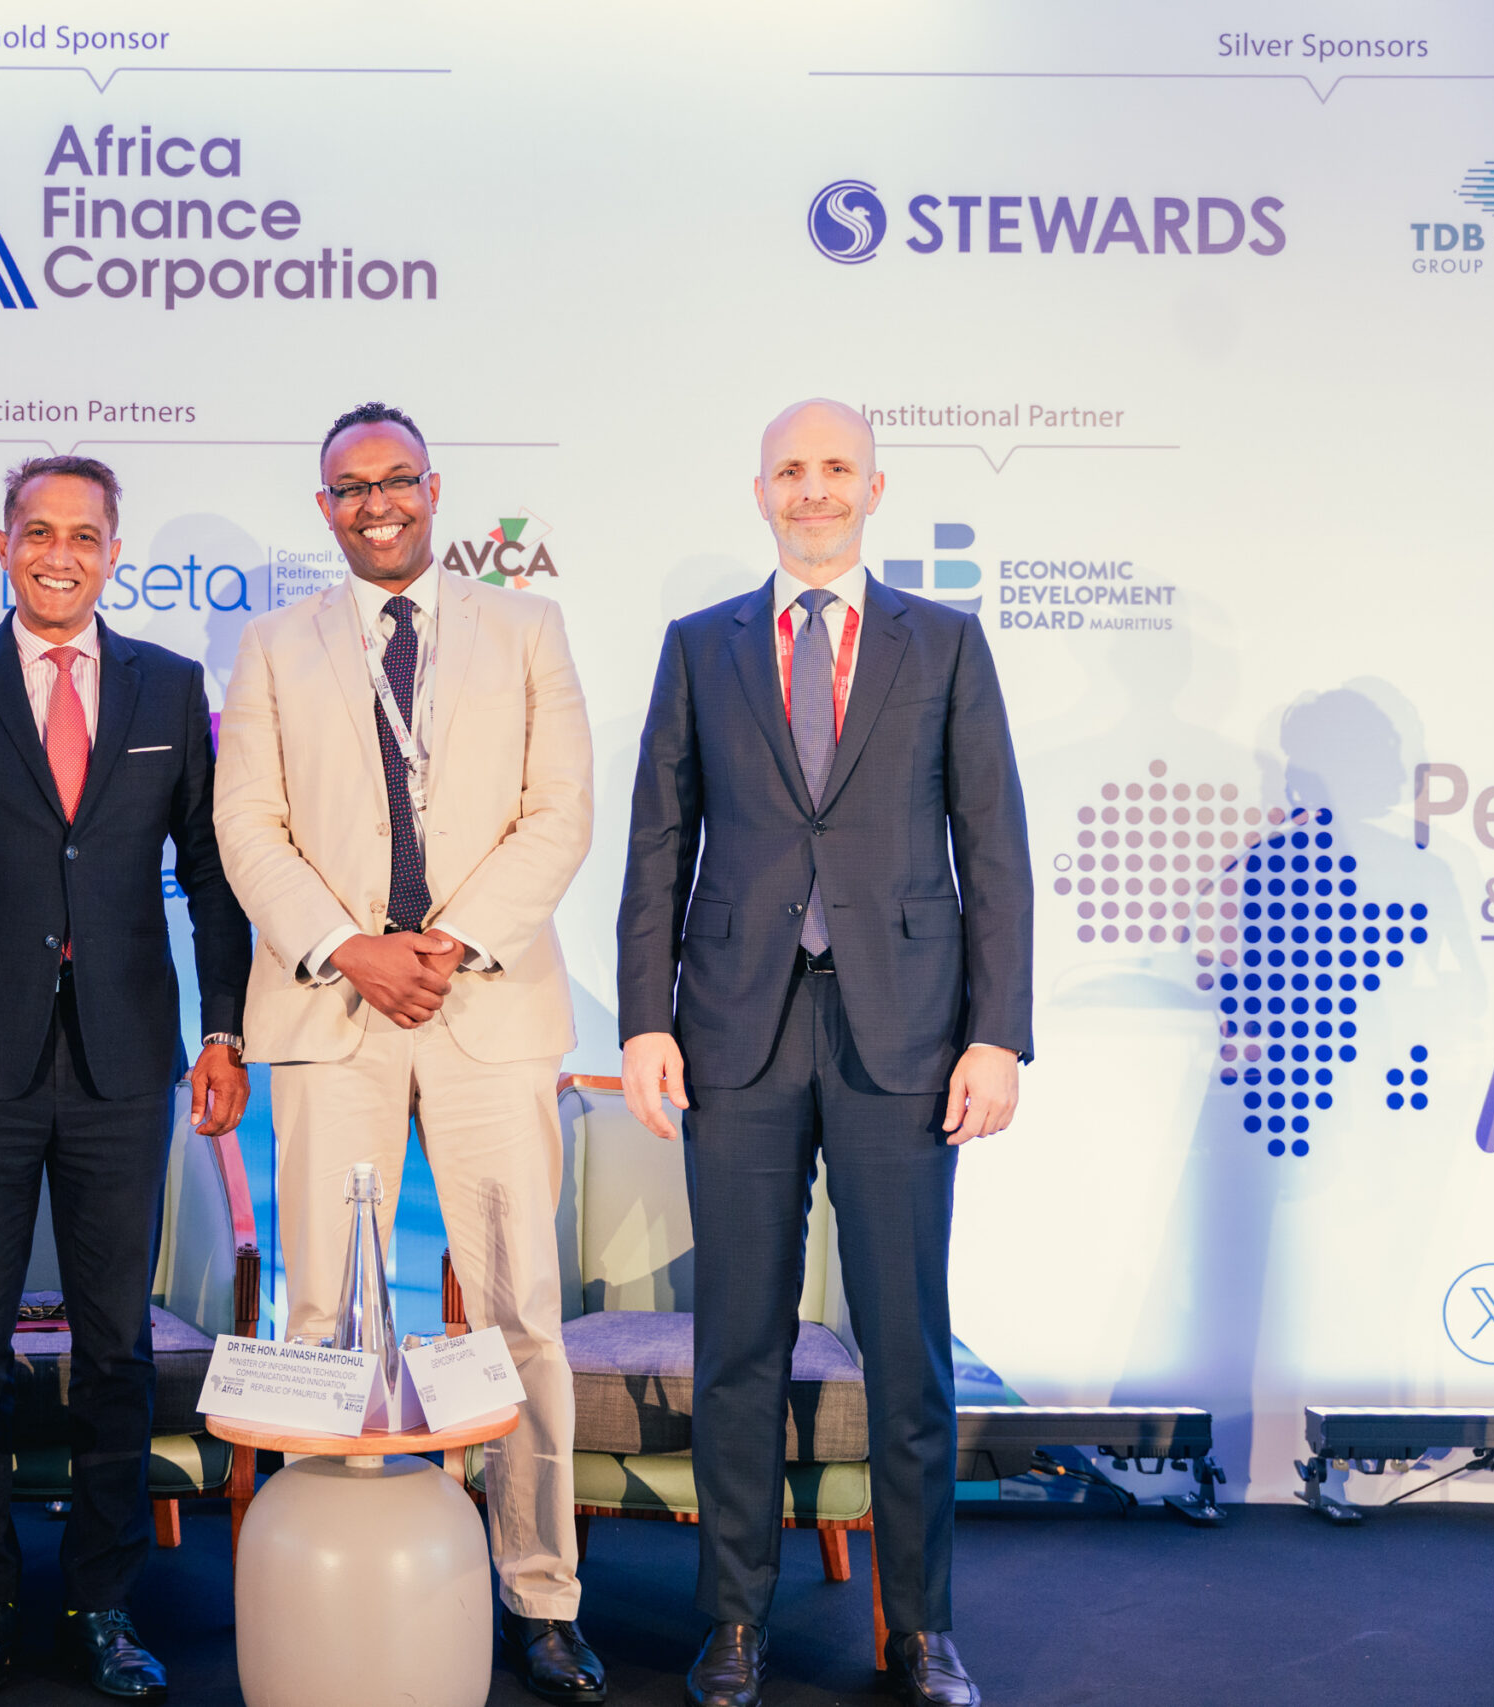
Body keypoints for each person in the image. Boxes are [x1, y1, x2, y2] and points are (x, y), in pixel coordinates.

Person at [616, 399, 1033, 1707]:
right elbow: (657, 843)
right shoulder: (701, 646)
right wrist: (643, 1018)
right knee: (737, 1341)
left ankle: (921, 1631)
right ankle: (732, 1620)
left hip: (904, 1031)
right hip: (734, 1029)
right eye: (790, 470)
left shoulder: (943, 643)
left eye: (835, 468)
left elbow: (994, 847)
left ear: (875, 487)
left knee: (908, 1344)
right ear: (760, 492)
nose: (813, 489)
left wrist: (998, 1034)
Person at [213, 404, 602, 1704]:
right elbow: (247, 826)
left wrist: (449, 943)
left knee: (520, 1313)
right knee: (323, 1311)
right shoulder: (275, 646)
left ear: (434, 488)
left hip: (488, 1002)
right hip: (334, 1010)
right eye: (348, 487)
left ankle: (540, 1591)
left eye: (394, 479)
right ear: (323, 507)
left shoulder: (528, 628)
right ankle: (329, 1579)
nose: (374, 502)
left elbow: (560, 813)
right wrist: (350, 948)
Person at [0, 455, 252, 1704]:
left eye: (84, 535)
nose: (60, 554)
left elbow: (211, 874)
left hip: (126, 1060)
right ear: (3, 545)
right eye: (38, 532)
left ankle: (102, 1600)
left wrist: (225, 1030)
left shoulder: (170, 686)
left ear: (114, 553)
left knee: (116, 1346)